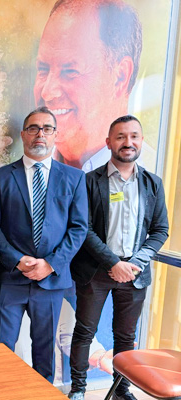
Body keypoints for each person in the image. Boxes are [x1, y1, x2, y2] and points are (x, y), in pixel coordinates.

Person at [67, 115, 169, 400]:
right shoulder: (89, 181)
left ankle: (121, 390)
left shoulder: (153, 184)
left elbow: (160, 230)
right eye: (121, 136)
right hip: (96, 271)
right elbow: (83, 228)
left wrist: (134, 263)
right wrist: (113, 262)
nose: (128, 142)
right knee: (84, 331)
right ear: (109, 142)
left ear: (141, 141)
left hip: (134, 274)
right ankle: (78, 389)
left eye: (134, 136)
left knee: (125, 336)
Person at [0, 107, 88, 382]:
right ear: (23, 135)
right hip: (10, 279)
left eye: (47, 128)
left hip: (51, 281)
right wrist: (17, 260)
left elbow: (79, 228)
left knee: (44, 354)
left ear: (55, 135)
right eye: (33, 128)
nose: (40, 133)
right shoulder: (0, 177)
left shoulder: (75, 178)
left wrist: (50, 264)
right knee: (1, 352)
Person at [34, 0, 154, 172]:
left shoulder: (155, 178)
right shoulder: (17, 175)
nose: (47, 92)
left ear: (120, 77)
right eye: (43, 69)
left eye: (70, 71)